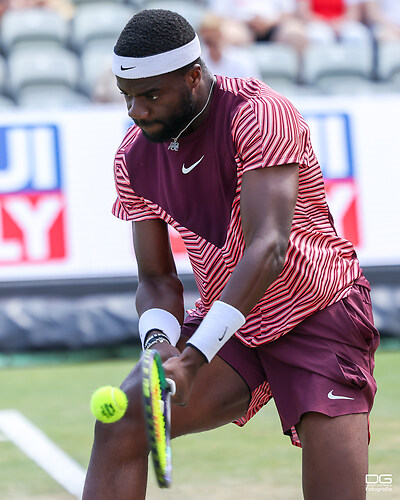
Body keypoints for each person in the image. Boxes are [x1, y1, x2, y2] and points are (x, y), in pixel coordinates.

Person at [83, 8, 379, 500]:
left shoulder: (259, 113)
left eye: (150, 95)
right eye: (127, 97)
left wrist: (195, 357)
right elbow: (157, 279)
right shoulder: (133, 155)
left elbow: (269, 249)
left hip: (320, 313)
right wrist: (158, 342)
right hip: (233, 324)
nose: (136, 111)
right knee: (126, 420)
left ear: (194, 76)